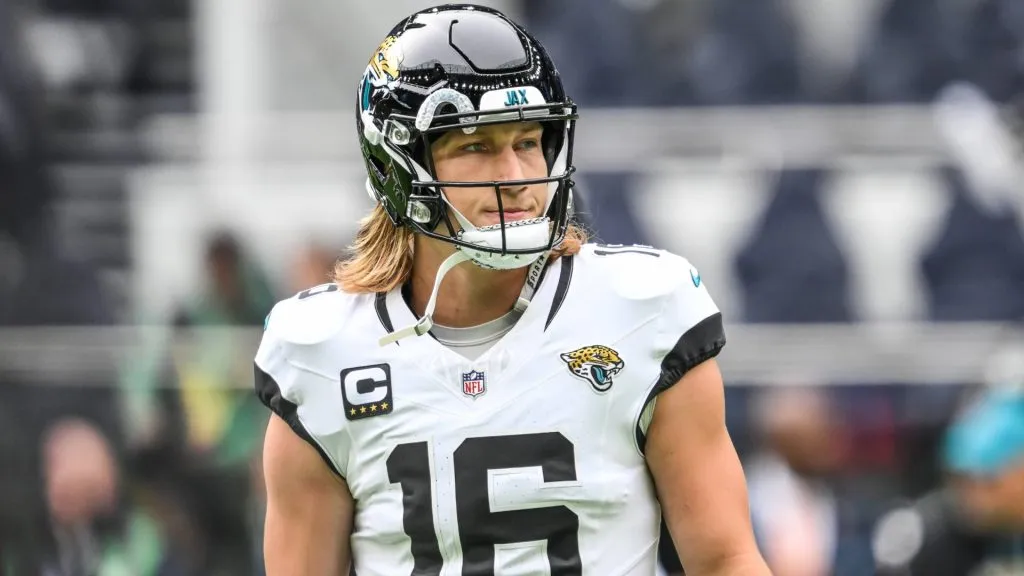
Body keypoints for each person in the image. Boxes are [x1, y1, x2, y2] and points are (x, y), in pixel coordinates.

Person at [254, 4, 769, 575]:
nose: (519, 174)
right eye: (477, 146)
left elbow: (725, 560)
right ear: (400, 164)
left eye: (528, 141)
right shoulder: (322, 354)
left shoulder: (643, 311)